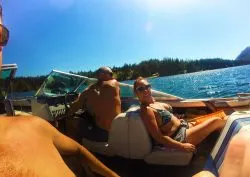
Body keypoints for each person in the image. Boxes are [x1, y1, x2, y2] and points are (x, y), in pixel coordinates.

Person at [0, 5, 119, 177]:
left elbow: (73, 109)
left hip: (101, 132)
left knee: (70, 120)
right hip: (111, 129)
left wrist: (71, 110)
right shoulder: (112, 86)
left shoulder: (34, 125)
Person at [133, 77, 226, 152]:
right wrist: (181, 146)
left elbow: (165, 120)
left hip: (184, 126)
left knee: (220, 116)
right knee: (216, 121)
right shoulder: (146, 110)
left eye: (147, 86)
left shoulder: (154, 103)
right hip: (179, 137)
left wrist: (177, 120)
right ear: (136, 93)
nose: (145, 90)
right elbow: (158, 137)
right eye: (141, 89)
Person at [69, 66, 121, 141]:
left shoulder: (90, 91)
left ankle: (75, 146)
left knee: (70, 120)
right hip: (116, 129)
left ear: (100, 74)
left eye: (98, 73)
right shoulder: (116, 87)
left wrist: (71, 105)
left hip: (103, 133)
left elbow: (74, 107)